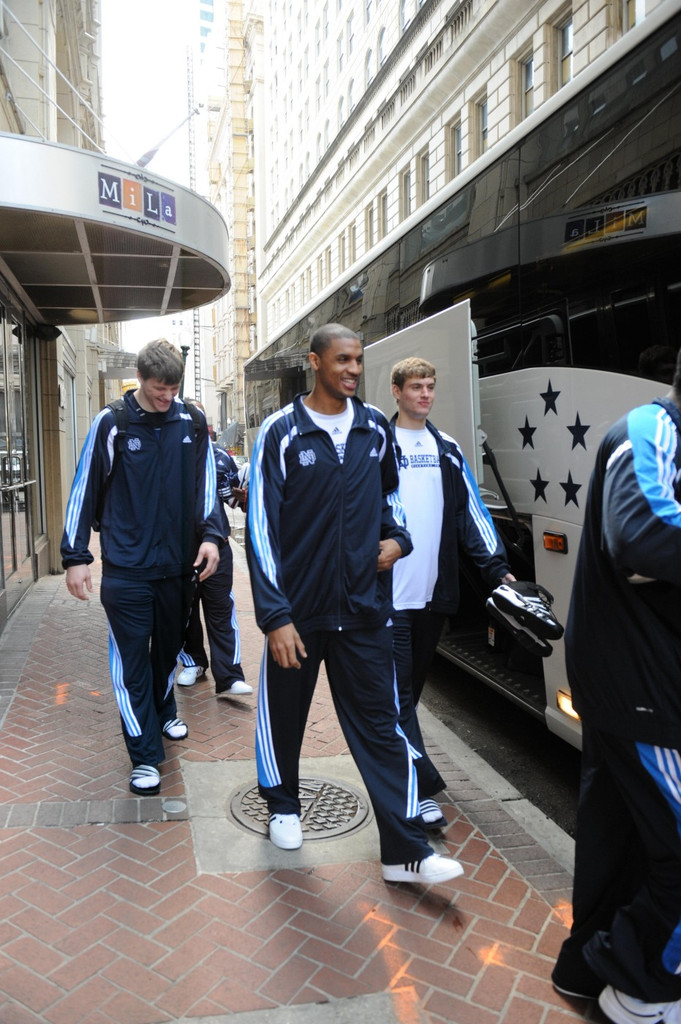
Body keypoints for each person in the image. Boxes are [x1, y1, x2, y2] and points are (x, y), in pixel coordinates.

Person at [246, 323, 464, 885]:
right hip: (299, 614)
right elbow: (261, 531)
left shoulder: (373, 429)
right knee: (284, 716)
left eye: (358, 361)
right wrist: (275, 616)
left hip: (366, 610)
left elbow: (391, 500)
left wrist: (399, 539)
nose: (352, 370)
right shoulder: (281, 433)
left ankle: (404, 850)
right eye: (342, 360)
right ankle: (284, 805)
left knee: (382, 725)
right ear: (316, 362)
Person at [552, 350, 681, 1024]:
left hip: (640, 680)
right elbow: (644, 532)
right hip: (639, 684)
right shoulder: (648, 429)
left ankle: (585, 969)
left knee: (618, 834)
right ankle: (639, 989)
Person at [61, 340, 223, 796]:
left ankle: (165, 709)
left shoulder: (191, 421)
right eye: (158, 388)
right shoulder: (112, 422)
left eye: (172, 388)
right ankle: (145, 755)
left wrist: (211, 537)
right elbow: (83, 489)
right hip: (127, 570)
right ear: (140, 377)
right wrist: (75, 557)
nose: (165, 397)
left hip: (177, 567)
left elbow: (206, 485)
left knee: (167, 653)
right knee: (132, 663)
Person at [389, 357, 514, 826]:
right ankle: (419, 791)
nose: (425, 394)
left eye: (431, 386)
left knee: (410, 693)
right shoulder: (378, 445)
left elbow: (472, 517)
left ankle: (397, 762)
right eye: (416, 387)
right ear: (397, 391)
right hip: (388, 597)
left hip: (432, 595)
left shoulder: (447, 448)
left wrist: (498, 571)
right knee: (397, 695)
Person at [176, 402, 252, 697]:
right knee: (185, 611)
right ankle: (193, 662)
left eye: (199, 420)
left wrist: (243, 497)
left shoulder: (220, 457)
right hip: (182, 550)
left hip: (217, 545)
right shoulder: (171, 456)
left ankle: (230, 676)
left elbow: (232, 500)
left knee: (221, 609)